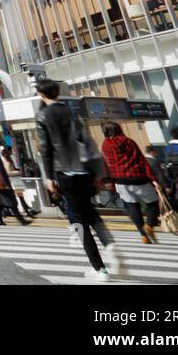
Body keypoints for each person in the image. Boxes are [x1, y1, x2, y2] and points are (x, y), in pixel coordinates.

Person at [36, 79, 120, 281]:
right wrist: (98, 173)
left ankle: (99, 269)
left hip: (66, 173)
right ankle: (111, 248)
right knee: (91, 213)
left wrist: (48, 177)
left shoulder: (42, 116)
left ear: (42, 94)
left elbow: (46, 150)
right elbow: (87, 141)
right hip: (86, 171)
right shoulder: (71, 112)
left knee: (78, 223)